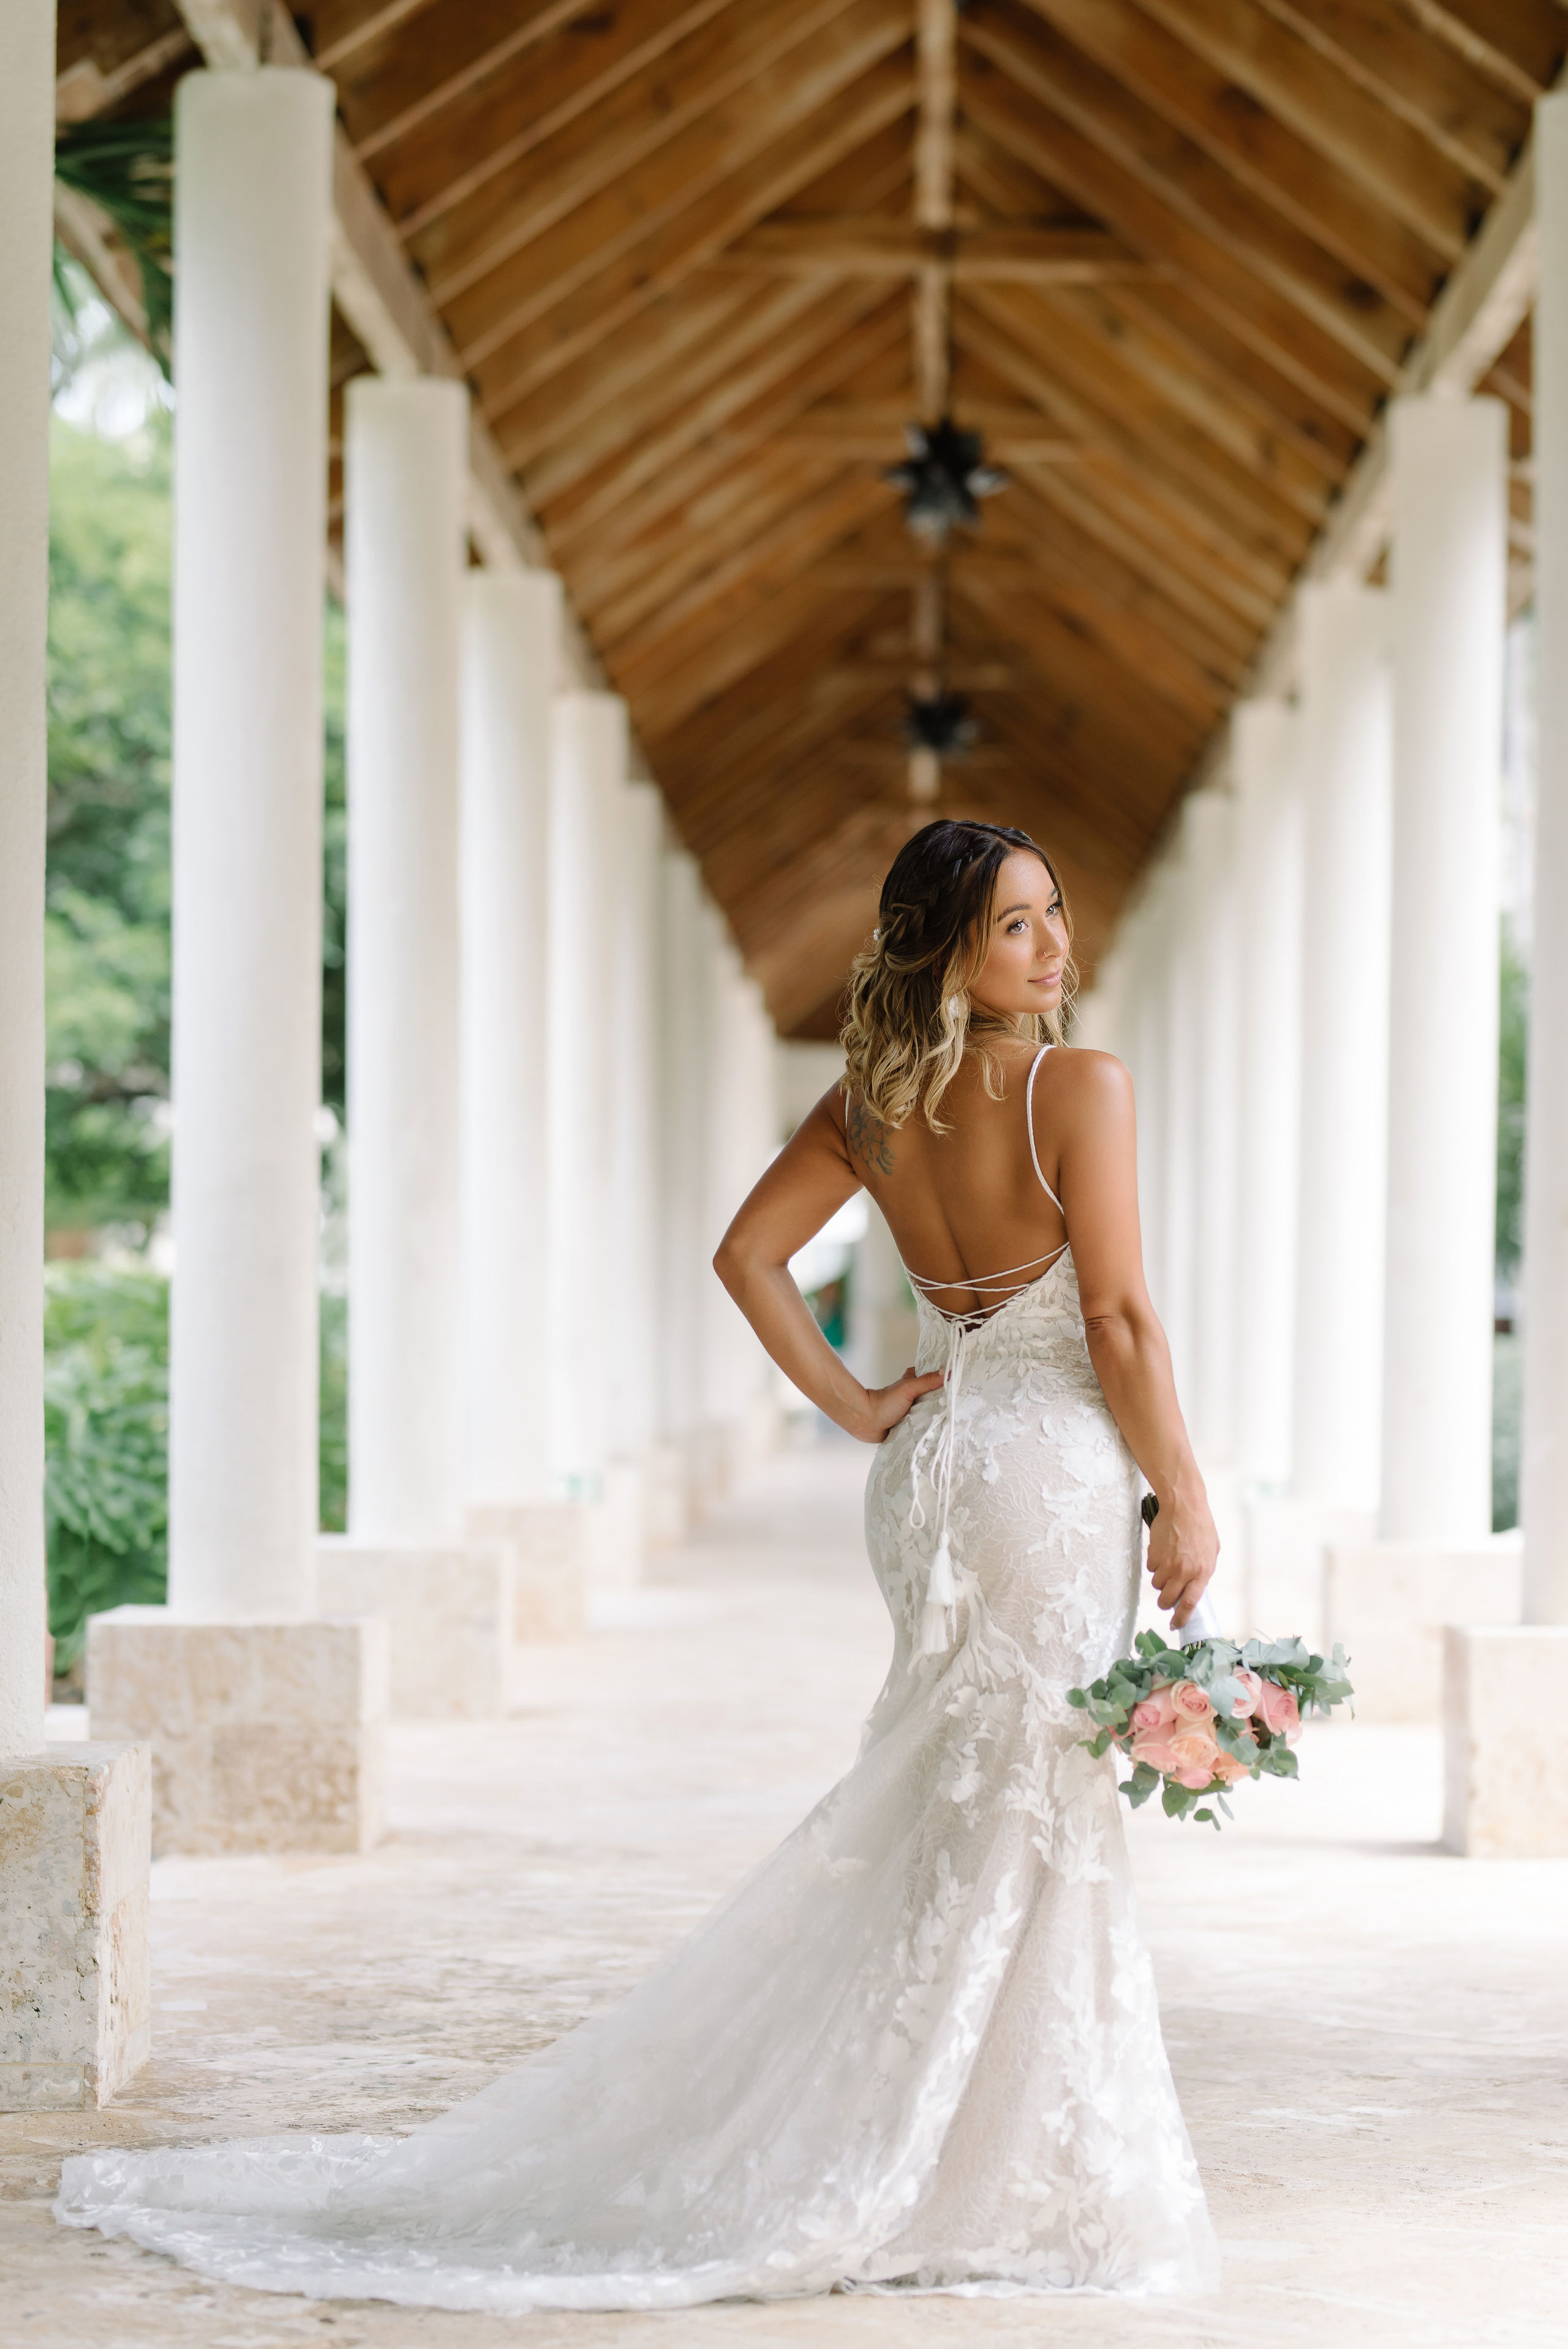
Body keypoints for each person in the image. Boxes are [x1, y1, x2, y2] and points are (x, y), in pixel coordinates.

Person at [57, 818, 1220, 2309]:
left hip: (932, 1473)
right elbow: (1117, 1320)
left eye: (1054, 911)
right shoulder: (1078, 1084)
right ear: (946, 951)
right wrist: (1182, 1493)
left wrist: (863, 1404)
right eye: (1014, 927)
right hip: (1045, 1479)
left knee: (964, 1792)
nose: (1054, 945)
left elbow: (747, 1255)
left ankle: (947, 2141)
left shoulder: (873, 1096)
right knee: (1025, 1798)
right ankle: (971, 2160)